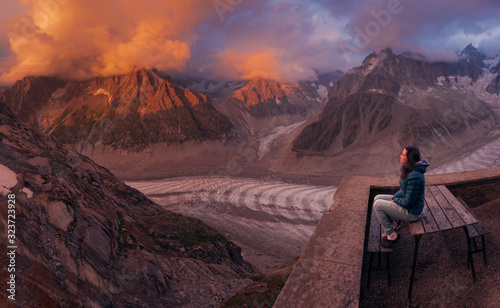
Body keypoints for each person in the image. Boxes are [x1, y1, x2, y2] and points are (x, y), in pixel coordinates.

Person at [373, 146, 430, 248]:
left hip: (412, 212)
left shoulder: (415, 176)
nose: (400, 156)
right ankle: (393, 225)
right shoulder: (411, 170)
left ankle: (392, 235)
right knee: (377, 198)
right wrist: (394, 198)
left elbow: (408, 202)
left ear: (409, 158)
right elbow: (404, 190)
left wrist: (394, 200)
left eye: (403, 154)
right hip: (409, 206)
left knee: (377, 205)